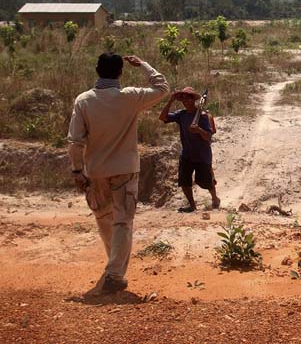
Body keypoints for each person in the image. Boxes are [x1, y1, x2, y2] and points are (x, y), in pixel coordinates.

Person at [67, 53, 169, 294]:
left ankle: (113, 269)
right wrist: (143, 65)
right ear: (121, 73)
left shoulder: (84, 100)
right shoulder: (130, 97)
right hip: (125, 169)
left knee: (104, 219)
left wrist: (77, 170)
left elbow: (75, 142)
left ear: (97, 70)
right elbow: (162, 87)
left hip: (96, 171)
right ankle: (114, 273)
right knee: (123, 221)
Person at [159, 87, 221, 213]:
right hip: (187, 154)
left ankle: (215, 198)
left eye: (187, 98)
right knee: (184, 181)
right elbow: (163, 117)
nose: (185, 101)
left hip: (202, 155)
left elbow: (208, 136)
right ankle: (192, 206)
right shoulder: (181, 115)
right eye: (183, 99)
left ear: (193, 100)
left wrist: (198, 130)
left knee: (206, 181)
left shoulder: (203, 116)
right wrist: (170, 101)